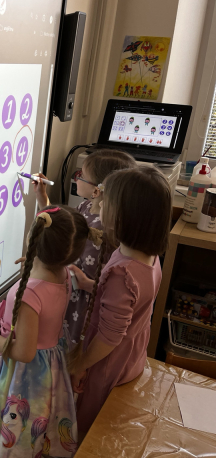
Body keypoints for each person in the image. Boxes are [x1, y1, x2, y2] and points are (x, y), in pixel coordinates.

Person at [0, 206, 104, 458]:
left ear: (32, 239)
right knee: (42, 418)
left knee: (21, 429)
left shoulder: (28, 294)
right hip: (51, 364)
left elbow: (24, 352)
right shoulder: (66, 273)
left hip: (28, 375)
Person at [68, 166, 171, 436]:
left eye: (106, 200)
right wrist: (90, 284)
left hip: (108, 363)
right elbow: (132, 303)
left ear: (125, 215)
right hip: (132, 354)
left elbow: (110, 336)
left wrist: (80, 365)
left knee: (93, 423)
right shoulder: (147, 256)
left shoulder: (123, 273)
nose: (100, 203)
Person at [33, 150, 137, 345]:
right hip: (74, 292)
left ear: (97, 191)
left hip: (84, 300)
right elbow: (59, 225)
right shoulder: (86, 206)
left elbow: (102, 281)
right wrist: (42, 196)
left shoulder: (105, 227)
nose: (76, 178)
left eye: (81, 175)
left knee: (75, 341)